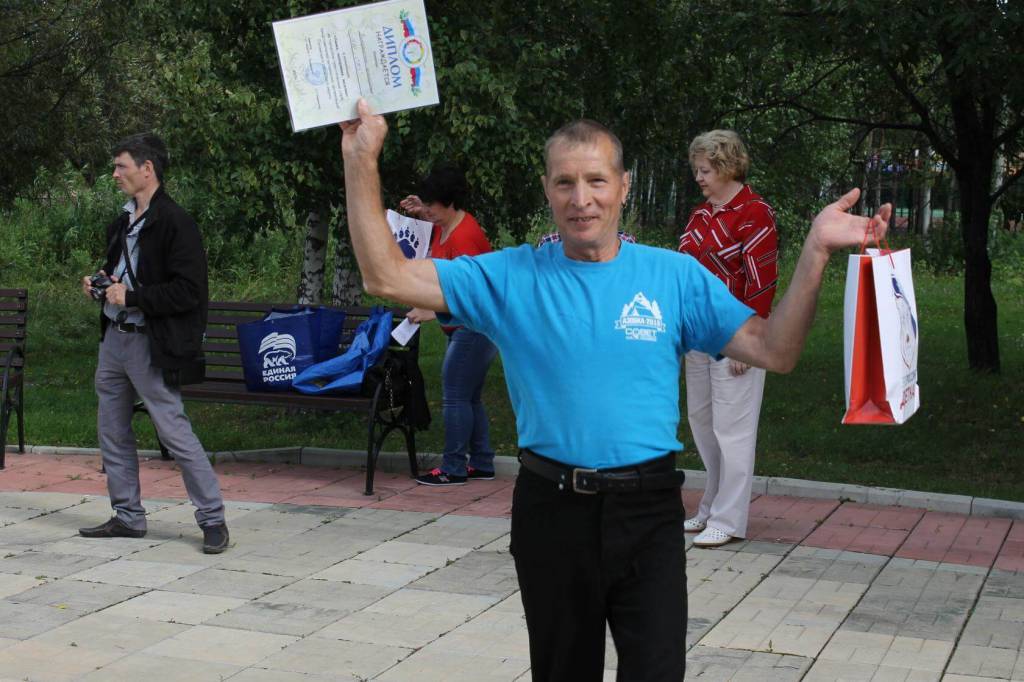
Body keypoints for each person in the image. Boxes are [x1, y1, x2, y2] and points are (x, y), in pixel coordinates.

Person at [338, 98, 889, 681]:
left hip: (648, 512)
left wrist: (815, 250)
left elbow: (776, 350)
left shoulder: (673, 277)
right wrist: (361, 158)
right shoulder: (510, 276)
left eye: (596, 180)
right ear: (548, 190)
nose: (582, 198)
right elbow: (385, 276)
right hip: (551, 512)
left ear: (624, 186)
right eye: (565, 182)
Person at [77, 133, 229, 554]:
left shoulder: (176, 222)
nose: (114, 174)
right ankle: (127, 516)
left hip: (151, 343)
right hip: (114, 341)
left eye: (120, 166)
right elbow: (120, 274)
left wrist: (133, 297)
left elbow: (189, 292)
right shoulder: (122, 222)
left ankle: (213, 519)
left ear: (147, 169)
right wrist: (100, 283)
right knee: (112, 431)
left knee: (174, 432)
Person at [678, 130, 779, 548]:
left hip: (735, 337)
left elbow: (762, 283)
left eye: (704, 170)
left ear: (726, 167)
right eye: (697, 170)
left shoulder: (755, 213)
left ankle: (730, 518)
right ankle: (711, 505)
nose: (698, 177)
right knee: (703, 424)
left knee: (733, 430)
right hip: (697, 336)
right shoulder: (701, 215)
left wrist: (749, 344)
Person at [398, 166, 499, 486]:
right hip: (466, 327)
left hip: (475, 326)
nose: (428, 211)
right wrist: (423, 212)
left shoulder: (465, 237)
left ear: (450, 202)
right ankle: (482, 462)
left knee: (454, 394)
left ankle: (453, 467)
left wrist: (432, 310)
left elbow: (474, 294)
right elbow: (436, 236)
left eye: (432, 205)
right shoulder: (446, 226)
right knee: (469, 396)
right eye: (426, 204)